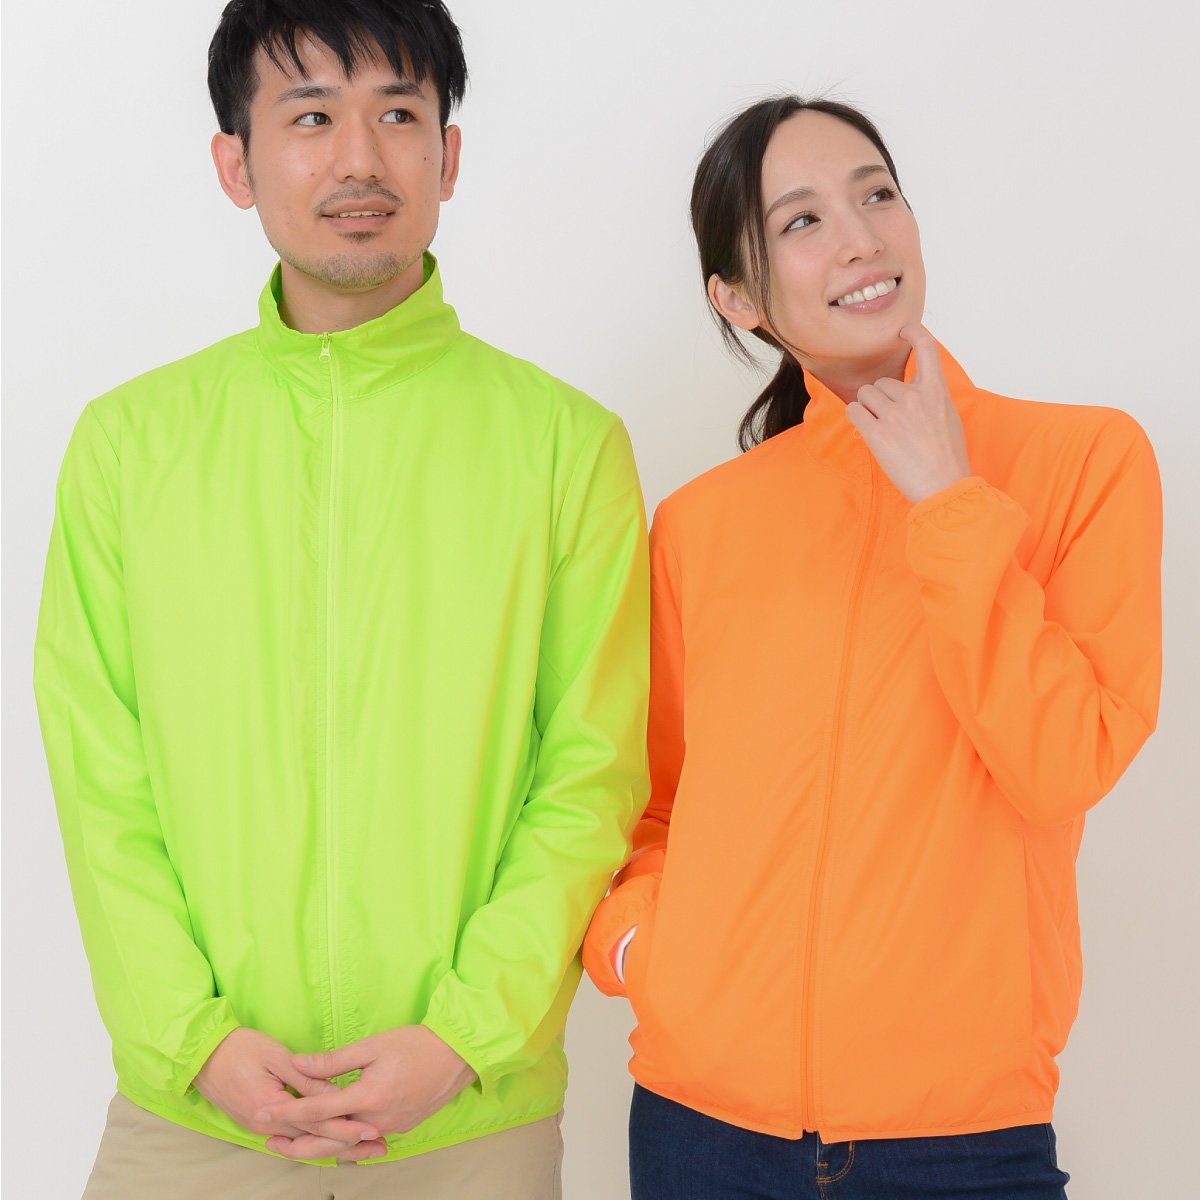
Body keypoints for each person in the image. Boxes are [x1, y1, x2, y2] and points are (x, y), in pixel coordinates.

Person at [33, 1, 648, 1196]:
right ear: (236, 163)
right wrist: (194, 1041)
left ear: (448, 156)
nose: (360, 158)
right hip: (192, 1118)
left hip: (469, 1120)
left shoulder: (566, 447)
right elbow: (100, 778)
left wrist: (465, 1036)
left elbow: (592, 775)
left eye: (398, 115)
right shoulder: (127, 445)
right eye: (311, 117)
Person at [583, 96, 1161, 1200]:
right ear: (738, 296)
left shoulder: (1084, 460)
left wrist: (950, 505)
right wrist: (645, 954)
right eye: (801, 220)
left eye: (877, 194)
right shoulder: (703, 523)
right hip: (700, 1128)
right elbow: (646, 807)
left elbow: (1065, 760)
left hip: (961, 1140)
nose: (859, 237)